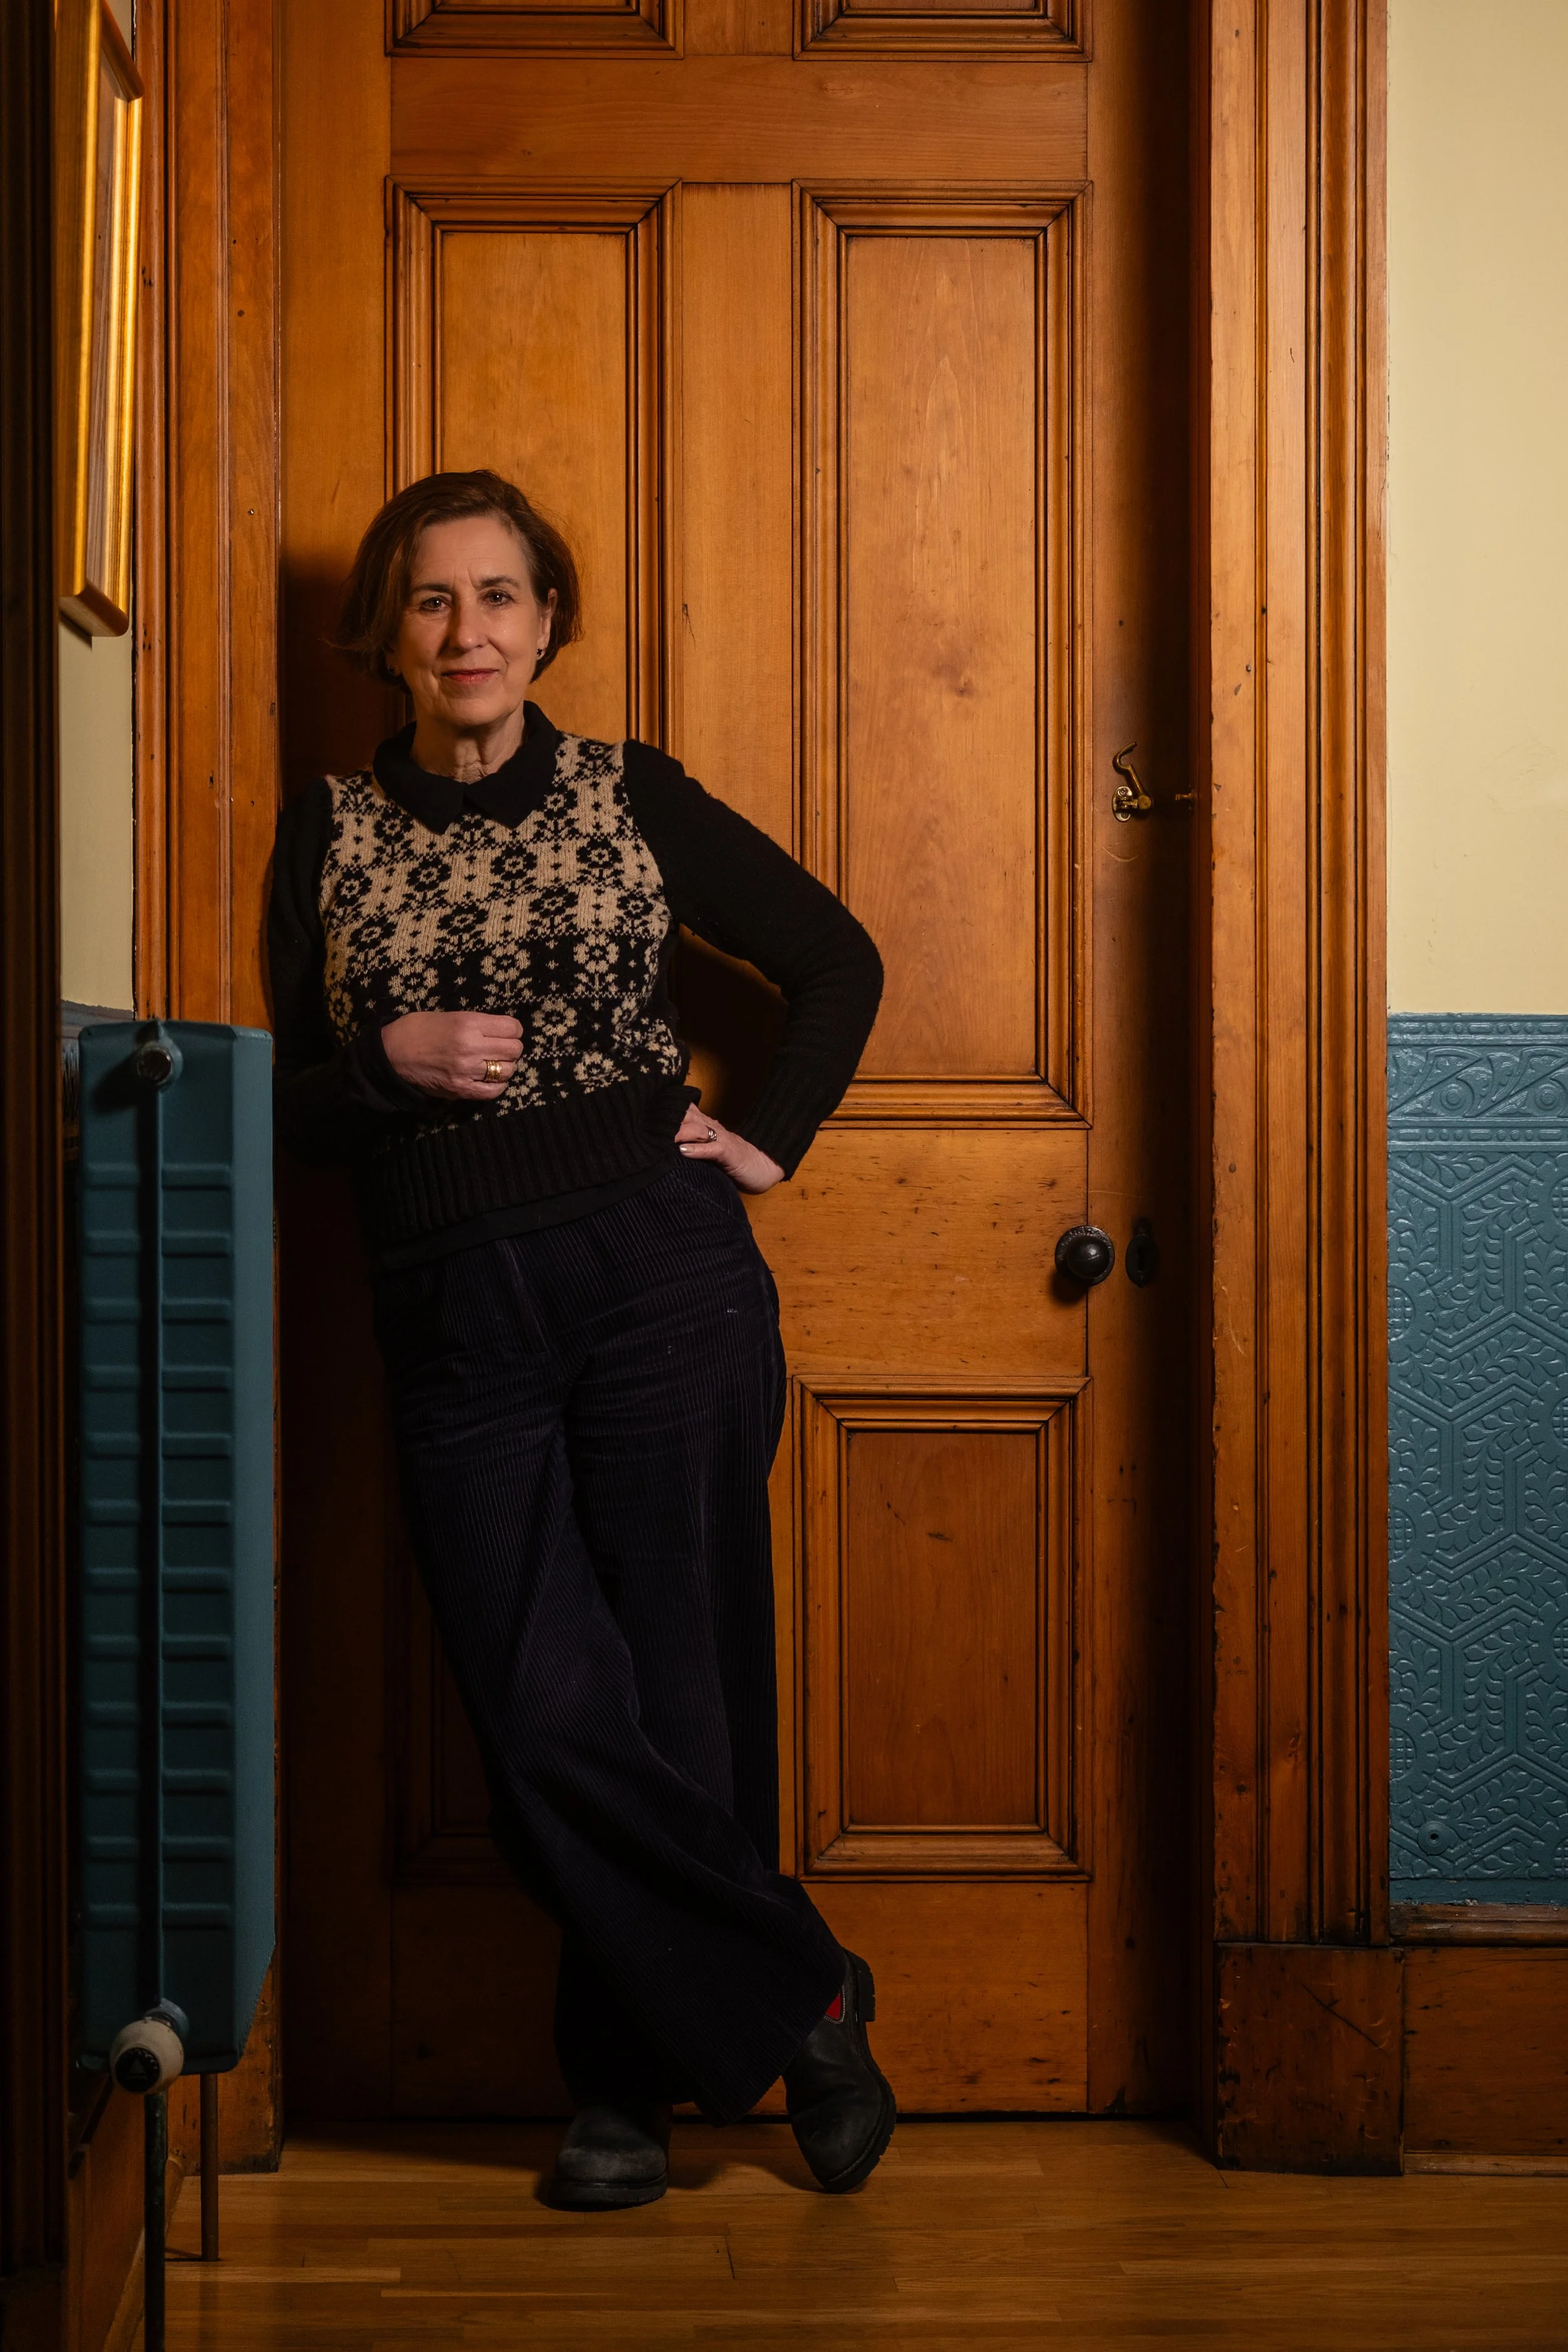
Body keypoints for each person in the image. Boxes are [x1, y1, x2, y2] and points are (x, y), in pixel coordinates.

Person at [267, 467, 891, 2209]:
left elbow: (833, 960)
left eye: (500, 595)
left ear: (548, 621)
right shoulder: (325, 829)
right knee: (541, 1703)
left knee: (677, 1689)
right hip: (451, 1303)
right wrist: (378, 1072)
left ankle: (620, 2085)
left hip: (655, 1275)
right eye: (430, 599)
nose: (467, 632)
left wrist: (760, 1134)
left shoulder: (633, 795)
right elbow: (284, 1104)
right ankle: (810, 1992)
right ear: (385, 632)